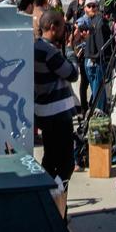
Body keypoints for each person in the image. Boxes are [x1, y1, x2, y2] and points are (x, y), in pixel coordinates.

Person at [33, 10, 83, 188]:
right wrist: (70, 49)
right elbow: (72, 73)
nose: (65, 30)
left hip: (43, 111)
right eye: (62, 26)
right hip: (57, 114)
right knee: (65, 164)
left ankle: (50, 202)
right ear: (53, 27)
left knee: (50, 158)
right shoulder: (49, 52)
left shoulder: (37, 47)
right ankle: (56, 202)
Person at [79, 0, 114, 113]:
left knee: (97, 95)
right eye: (89, 6)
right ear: (85, 9)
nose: (92, 8)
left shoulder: (97, 21)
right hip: (94, 62)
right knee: (99, 98)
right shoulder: (94, 21)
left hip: (93, 61)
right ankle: (97, 123)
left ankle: (96, 120)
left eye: (94, 6)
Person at [64, 0, 91, 108]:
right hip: (77, 42)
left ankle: (90, 105)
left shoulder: (90, 3)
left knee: (88, 77)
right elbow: (66, 19)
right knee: (82, 75)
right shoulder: (73, 4)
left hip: (88, 39)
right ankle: (84, 106)